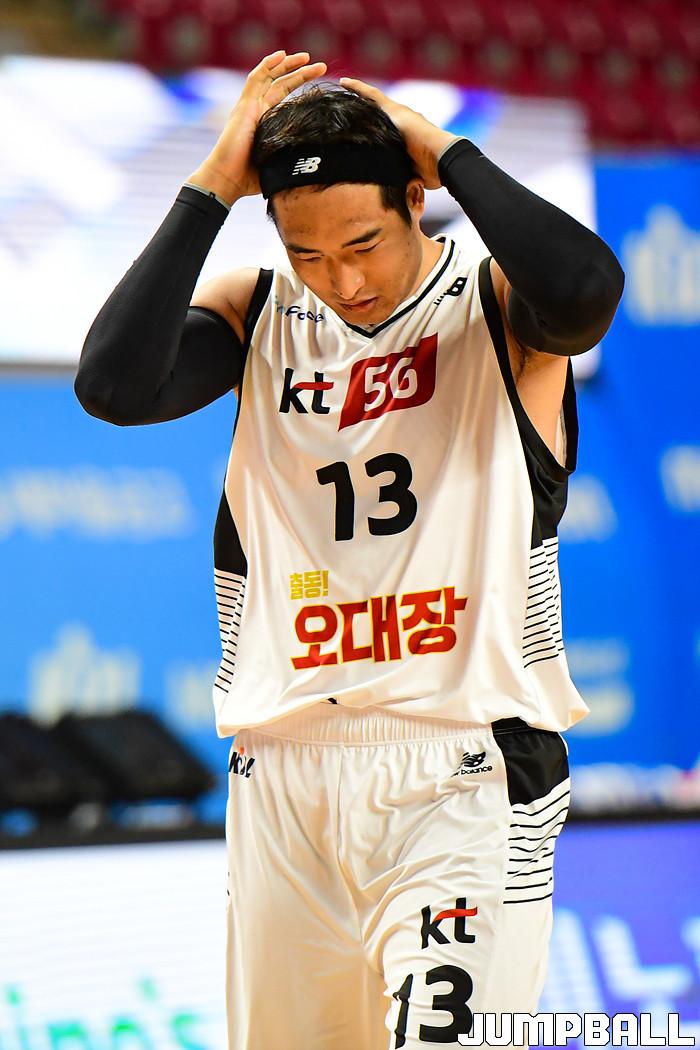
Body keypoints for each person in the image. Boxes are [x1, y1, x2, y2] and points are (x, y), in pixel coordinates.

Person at [75, 50, 624, 1050]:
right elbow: (113, 387)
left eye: (363, 243)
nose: (345, 281)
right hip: (284, 775)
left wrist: (438, 145)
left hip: (463, 767)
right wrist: (213, 184)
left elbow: (586, 286)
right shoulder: (258, 312)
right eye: (311, 255)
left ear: (415, 199)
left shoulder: (496, 301)